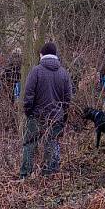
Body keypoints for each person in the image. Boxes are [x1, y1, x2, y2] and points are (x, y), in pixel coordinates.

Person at [19, 41, 73, 178]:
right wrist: (63, 115)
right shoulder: (64, 73)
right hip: (56, 117)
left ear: (41, 54)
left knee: (29, 144)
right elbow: (68, 98)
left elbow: (28, 94)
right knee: (52, 142)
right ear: (55, 55)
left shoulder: (36, 71)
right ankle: (49, 174)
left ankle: (25, 174)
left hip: (36, 115)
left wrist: (28, 112)